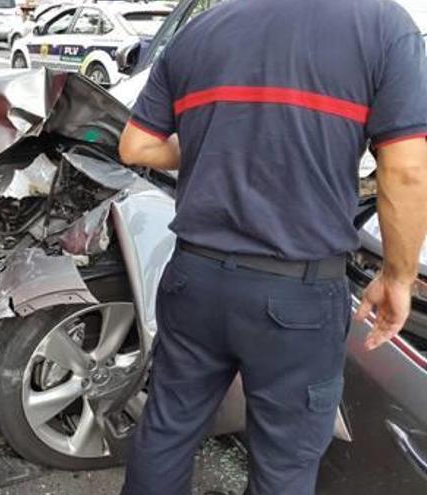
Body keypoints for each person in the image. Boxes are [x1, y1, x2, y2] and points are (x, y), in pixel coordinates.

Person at [116, 0, 427, 493]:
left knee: (168, 428)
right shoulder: (382, 26)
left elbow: (135, 146)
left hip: (195, 278)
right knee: (284, 463)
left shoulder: (202, 29)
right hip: (296, 296)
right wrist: (397, 277)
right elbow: (407, 169)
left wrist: (213, 145)